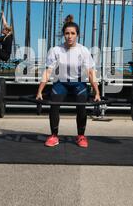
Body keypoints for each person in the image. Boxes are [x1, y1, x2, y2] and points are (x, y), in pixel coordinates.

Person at [36, 15, 101, 148]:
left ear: (77, 35)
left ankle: (81, 136)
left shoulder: (83, 50)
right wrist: (39, 91)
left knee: (82, 102)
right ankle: (54, 135)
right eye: (67, 33)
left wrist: (97, 92)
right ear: (63, 35)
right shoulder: (55, 50)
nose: (69, 36)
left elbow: (90, 73)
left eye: (72, 33)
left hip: (79, 83)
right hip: (61, 83)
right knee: (54, 101)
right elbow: (48, 72)